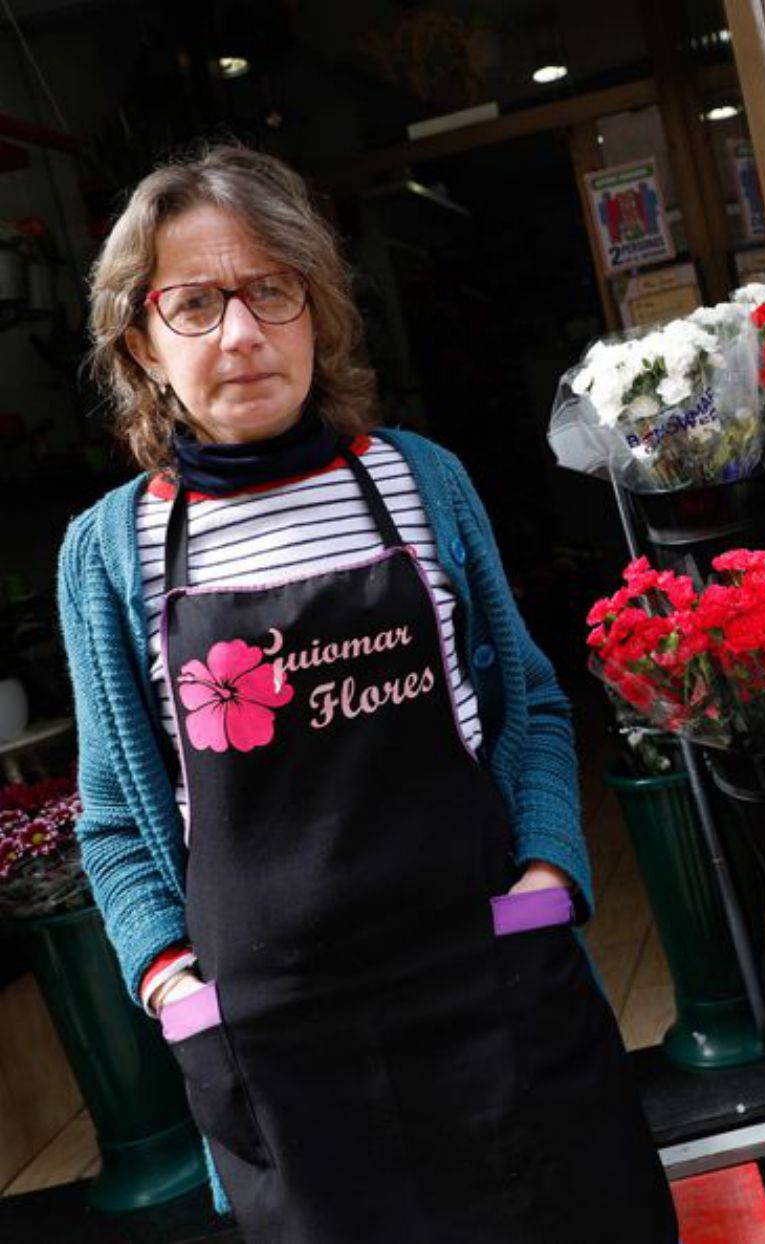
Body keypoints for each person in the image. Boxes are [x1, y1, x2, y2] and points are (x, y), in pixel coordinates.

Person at [60, 144, 679, 1243]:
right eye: (194, 303)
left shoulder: (420, 479)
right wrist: (176, 990)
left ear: (317, 309)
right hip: (276, 1050)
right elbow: (113, 816)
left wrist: (543, 883)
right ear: (142, 343)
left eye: (271, 289)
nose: (241, 332)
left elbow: (531, 704)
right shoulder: (109, 551)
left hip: (493, 989)